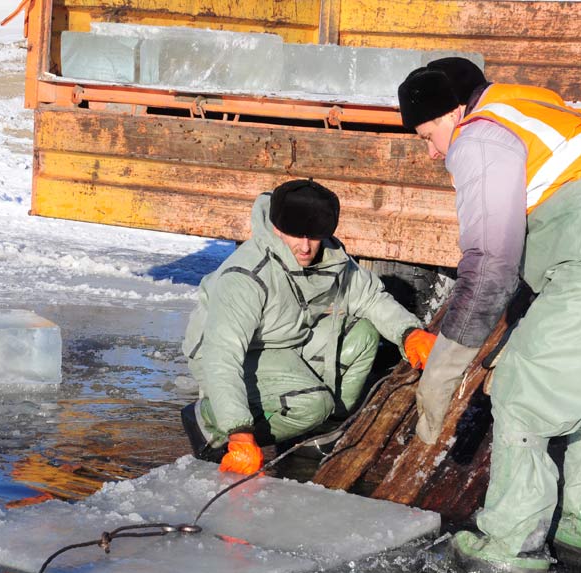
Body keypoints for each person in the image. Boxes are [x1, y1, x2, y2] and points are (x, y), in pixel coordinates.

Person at [397, 67, 581, 573]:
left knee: (523, 389)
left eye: (427, 137)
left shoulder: (480, 134)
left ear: (450, 114)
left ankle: (511, 544)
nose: (433, 154)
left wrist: (443, 369)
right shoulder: (550, 112)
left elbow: (489, 263)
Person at [181, 179, 436, 475]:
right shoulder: (246, 276)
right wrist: (239, 432)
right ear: (277, 228)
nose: (305, 247)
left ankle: (313, 431)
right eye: (295, 235)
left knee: (362, 335)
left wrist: (409, 333)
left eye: (314, 236)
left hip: (286, 340)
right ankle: (211, 423)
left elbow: (368, 297)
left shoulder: (328, 256)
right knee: (311, 403)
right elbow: (222, 356)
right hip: (228, 354)